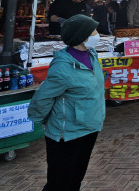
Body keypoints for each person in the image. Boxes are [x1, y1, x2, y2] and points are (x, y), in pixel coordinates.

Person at [28, 15, 105, 191]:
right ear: (83, 36)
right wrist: (44, 121)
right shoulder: (63, 68)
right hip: (67, 133)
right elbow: (43, 98)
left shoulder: (92, 54)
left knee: (76, 178)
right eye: (94, 31)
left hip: (90, 127)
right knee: (59, 182)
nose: (98, 35)